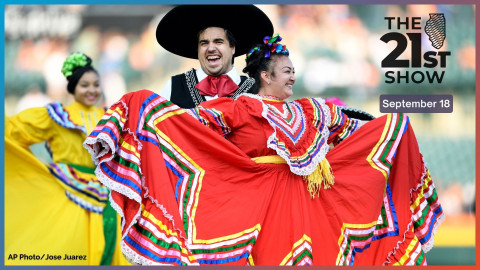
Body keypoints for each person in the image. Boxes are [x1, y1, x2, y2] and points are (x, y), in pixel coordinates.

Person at [84, 35, 444, 265]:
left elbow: (355, 125)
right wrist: (138, 108)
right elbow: (189, 123)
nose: (292, 77)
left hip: (309, 202)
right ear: (266, 76)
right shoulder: (240, 107)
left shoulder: (310, 109)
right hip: (257, 200)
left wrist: (394, 126)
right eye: (286, 71)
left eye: (293, 71)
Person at [5, 52, 129, 266]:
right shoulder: (57, 115)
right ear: (72, 88)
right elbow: (13, 130)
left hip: (107, 194)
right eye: (84, 85)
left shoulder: (111, 116)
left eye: (96, 85)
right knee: (68, 247)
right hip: (68, 190)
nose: (92, 90)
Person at [156, 5, 273, 108]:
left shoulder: (256, 89)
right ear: (198, 49)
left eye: (218, 42)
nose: (211, 48)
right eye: (204, 43)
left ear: (232, 48)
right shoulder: (174, 87)